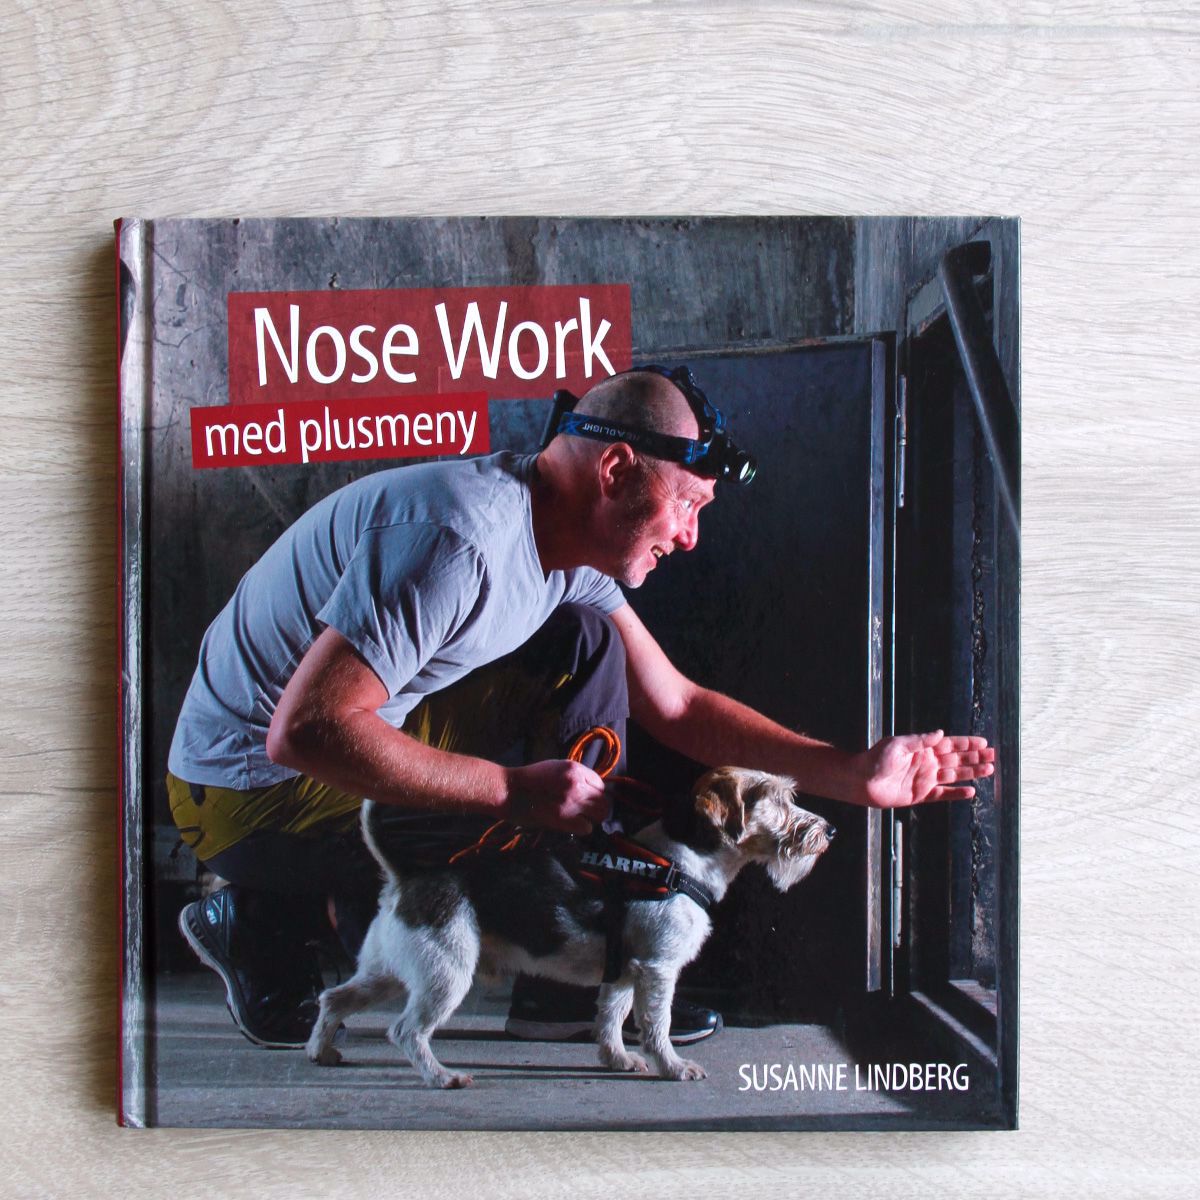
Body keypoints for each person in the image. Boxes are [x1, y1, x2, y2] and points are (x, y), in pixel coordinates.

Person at [167, 366, 994, 1049]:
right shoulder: (461, 539)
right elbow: (305, 730)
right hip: (243, 796)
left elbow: (679, 705)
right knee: (538, 740)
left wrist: (852, 774)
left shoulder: (562, 543)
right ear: (617, 472)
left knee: (588, 647)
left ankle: (325, 921)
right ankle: (288, 916)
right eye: (687, 505)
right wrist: (511, 791)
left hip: (318, 753)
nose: (690, 536)